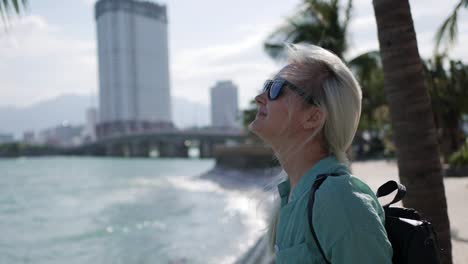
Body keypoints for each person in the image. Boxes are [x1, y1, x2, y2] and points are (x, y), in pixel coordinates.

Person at [248, 44, 393, 263]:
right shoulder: (294, 195)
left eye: (276, 88)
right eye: (267, 85)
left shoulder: (339, 201)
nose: (260, 97)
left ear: (313, 117)